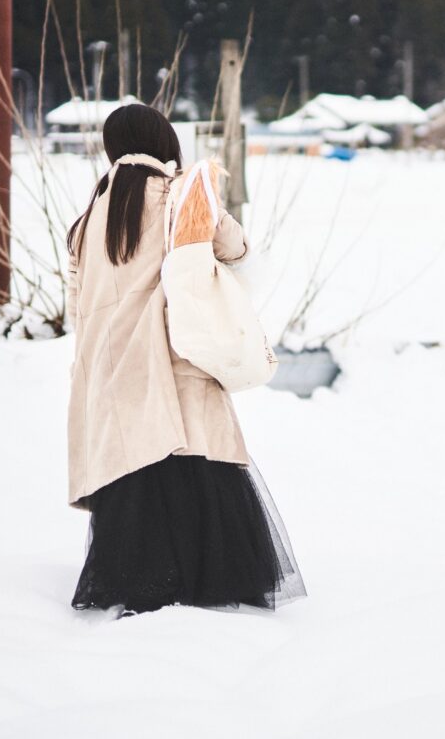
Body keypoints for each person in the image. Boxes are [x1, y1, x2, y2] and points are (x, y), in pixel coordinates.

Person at [64, 103, 304, 614]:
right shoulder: (178, 194)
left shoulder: (88, 218)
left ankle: (137, 581)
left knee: (133, 467)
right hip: (173, 354)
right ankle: (207, 580)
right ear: (164, 142)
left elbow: (78, 302)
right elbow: (237, 249)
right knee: (195, 463)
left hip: (109, 365)